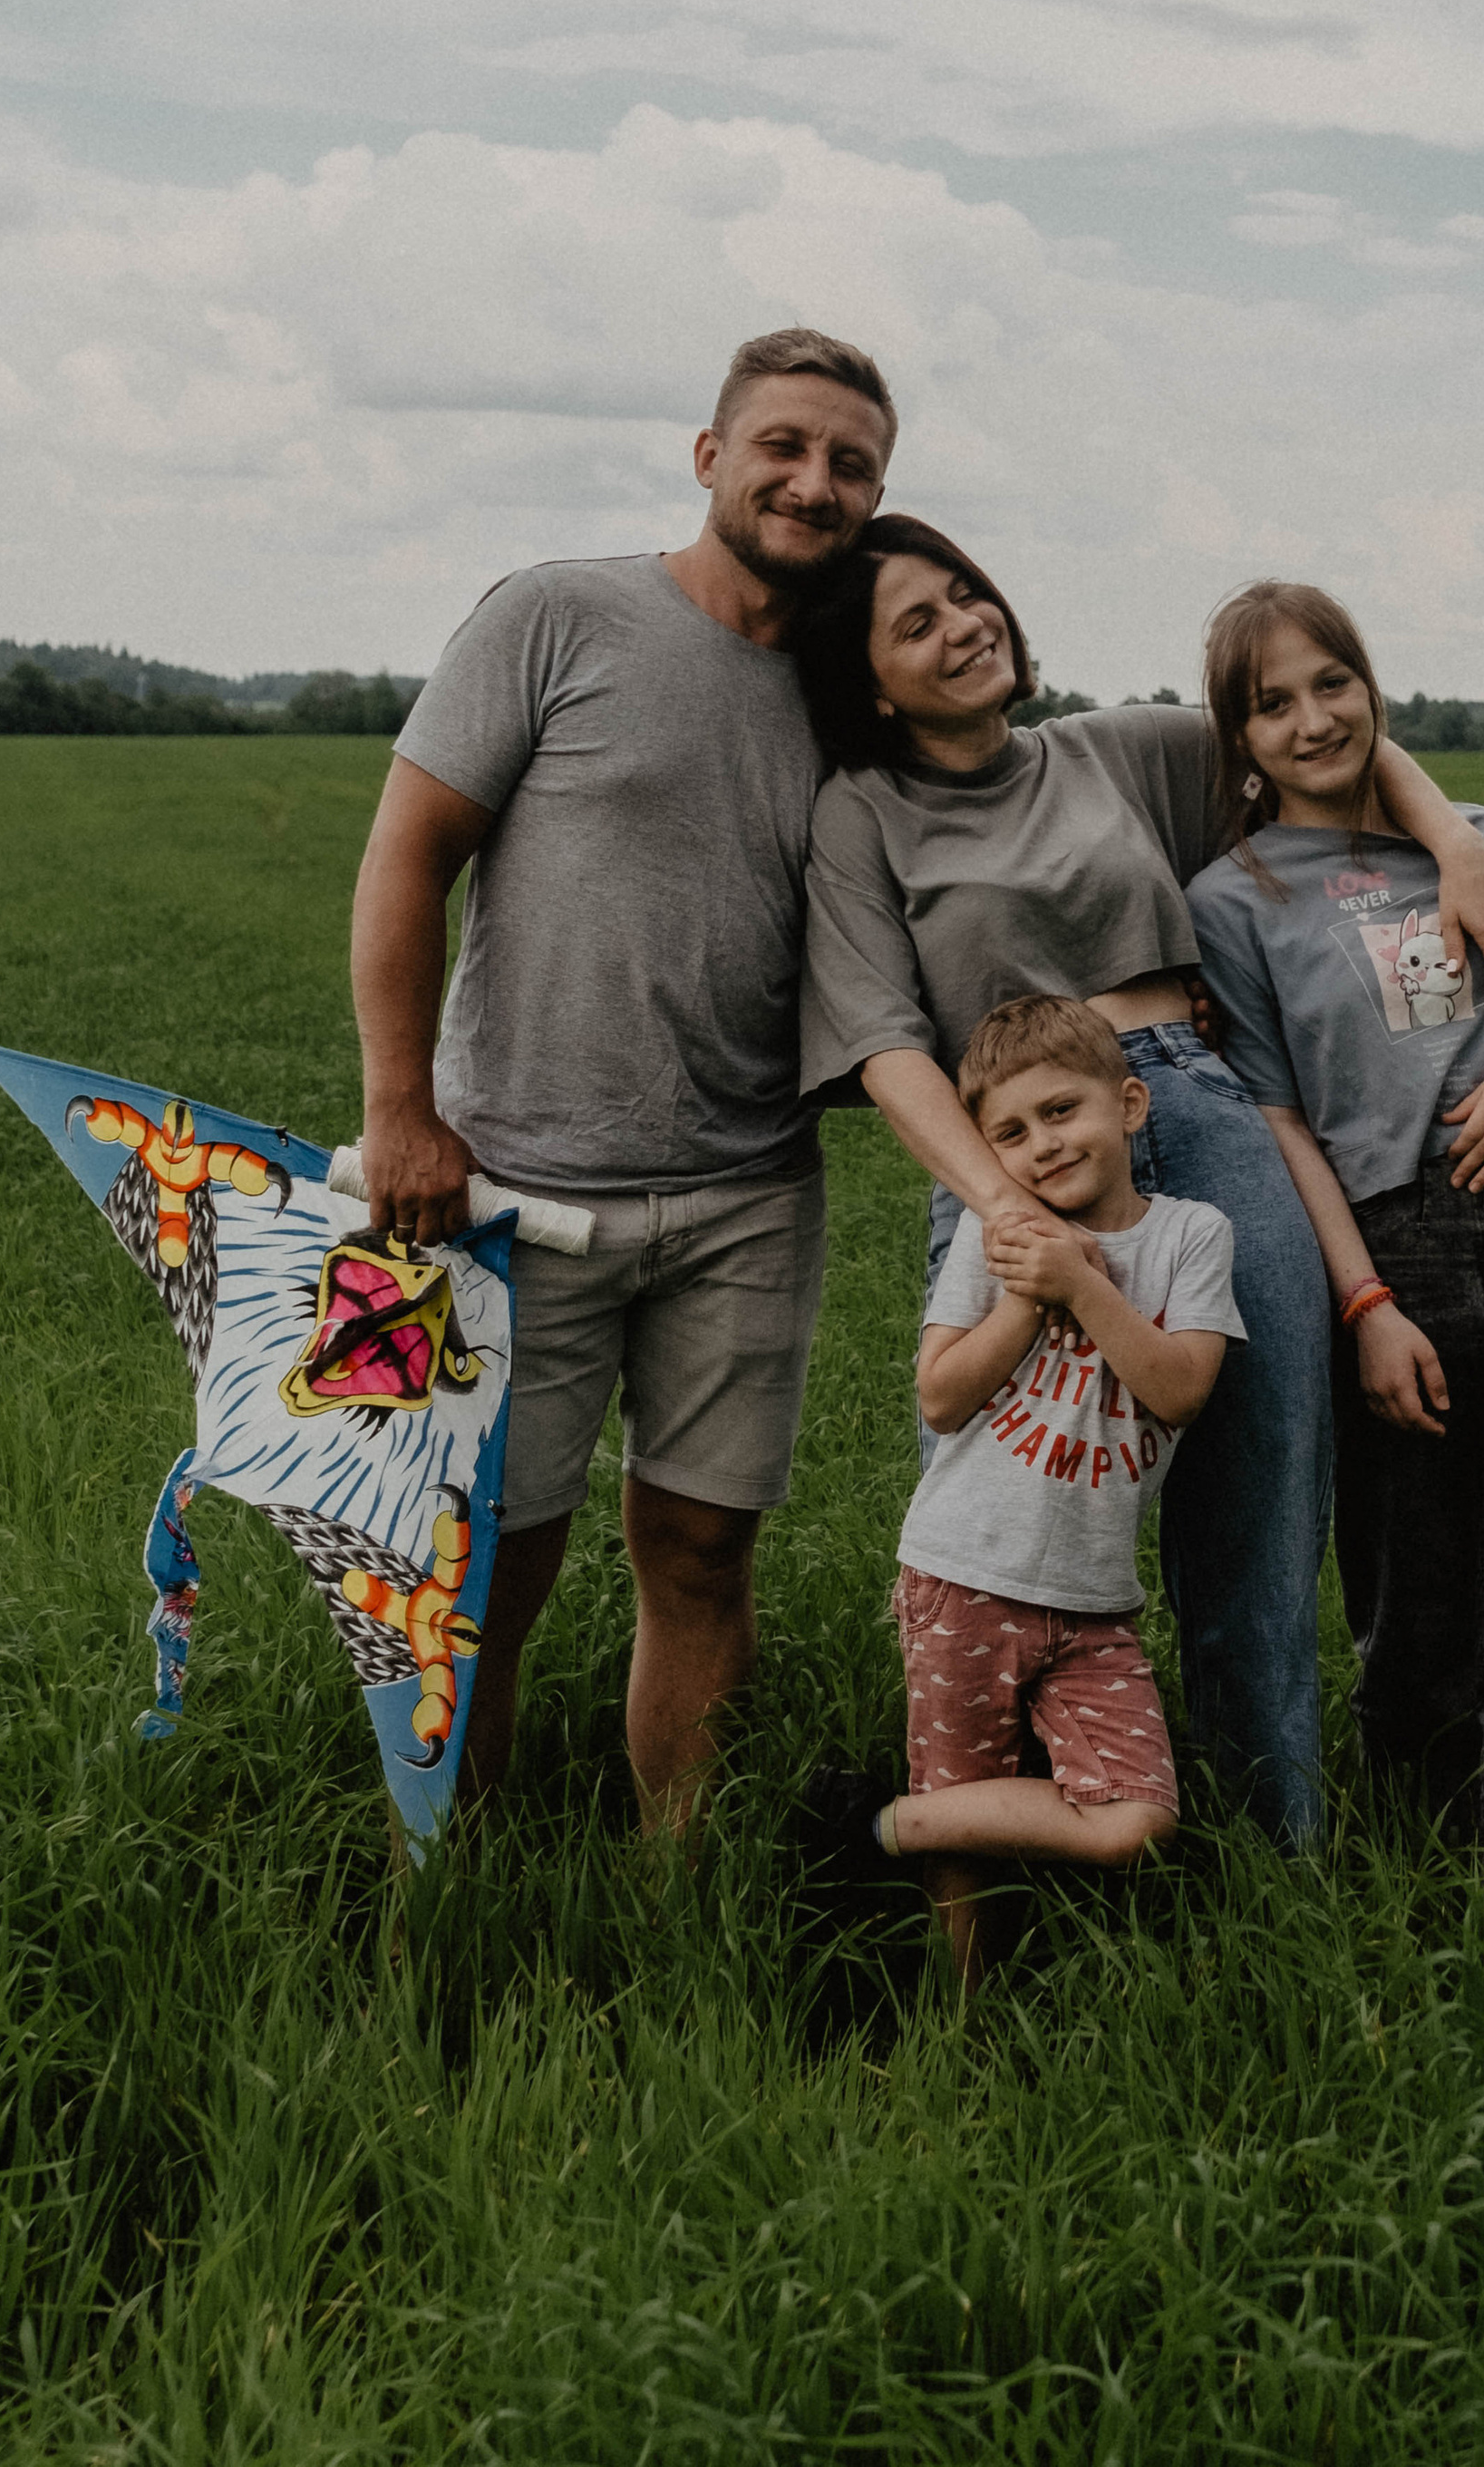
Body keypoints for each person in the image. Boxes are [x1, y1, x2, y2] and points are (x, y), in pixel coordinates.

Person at [791, 519, 1484, 1847]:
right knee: (996, 1531)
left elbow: (1324, 745)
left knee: (1257, 1522)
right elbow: (885, 1045)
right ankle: (1007, 1869)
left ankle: (1269, 1860)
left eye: (965, 591)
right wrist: (1005, 1209)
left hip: (1193, 1107)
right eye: (916, 624)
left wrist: (1458, 846)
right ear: (872, 685)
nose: (963, 622)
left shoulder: (1114, 749)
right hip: (1007, 1159)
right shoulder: (860, 815)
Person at [349, 326, 897, 1837]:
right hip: (504, 1193)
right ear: (710, 454)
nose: (814, 481)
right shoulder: (557, 613)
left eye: (852, 463)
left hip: (748, 1200)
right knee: (488, 1562)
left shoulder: (863, 694)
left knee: (705, 1556)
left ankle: (677, 1898)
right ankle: (443, 1886)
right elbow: (407, 859)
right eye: (783, 445)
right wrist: (404, 1113)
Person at [1187, 580, 1484, 1857]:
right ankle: (1423, 1877)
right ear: (1239, 738)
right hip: (1394, 1248)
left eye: (1334, 683)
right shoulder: (1236, 900)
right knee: (1414, 1606)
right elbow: (1276, 1121)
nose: (1313, 719)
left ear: (1373, 688)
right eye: (1273, 703)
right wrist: (1364, 1304)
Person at [807, 994, 1247, 1981]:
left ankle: (873, 1824)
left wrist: (1085, 1285)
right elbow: (940, 1396)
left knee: (1134, 1817)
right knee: (969, 1825)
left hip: (1096, 1605)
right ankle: (964, 2016)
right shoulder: (992, 1231)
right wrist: (1027, 1289)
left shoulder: (1192, 1237)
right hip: (963, 1574)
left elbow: (1178, 1391)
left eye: (1062, 1111)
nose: (1041, 1146)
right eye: (1009, 1133)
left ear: (1129, 1105)